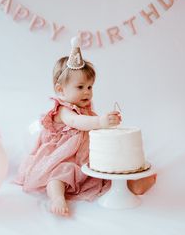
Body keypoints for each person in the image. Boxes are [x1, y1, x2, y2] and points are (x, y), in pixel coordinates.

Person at [16, 37, 156, 217]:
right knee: (60, 175)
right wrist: (100, 122)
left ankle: (132, 183)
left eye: (90, 87)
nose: (87, 92)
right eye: (80, 86)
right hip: (64, 157)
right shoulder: (63, 110)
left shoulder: (86, 110)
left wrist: (108, 125)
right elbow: (77, 123)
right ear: (60, 90)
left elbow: (94, 129)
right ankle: (57, 197)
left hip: (85, 158)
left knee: (105, 170)